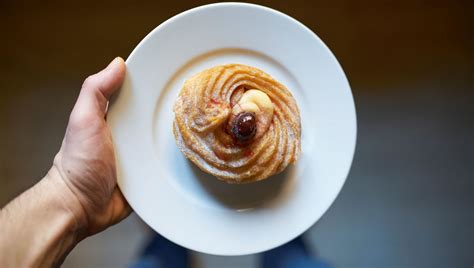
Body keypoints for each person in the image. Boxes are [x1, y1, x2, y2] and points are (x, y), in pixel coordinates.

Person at [0, 58, 330, 268]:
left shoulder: (270, 131)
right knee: (296, 260)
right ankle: (286, 244)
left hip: (254, 158)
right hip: (228, 160)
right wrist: (70, 192)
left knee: (158, 261)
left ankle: (168, 243)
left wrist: (69, 192)